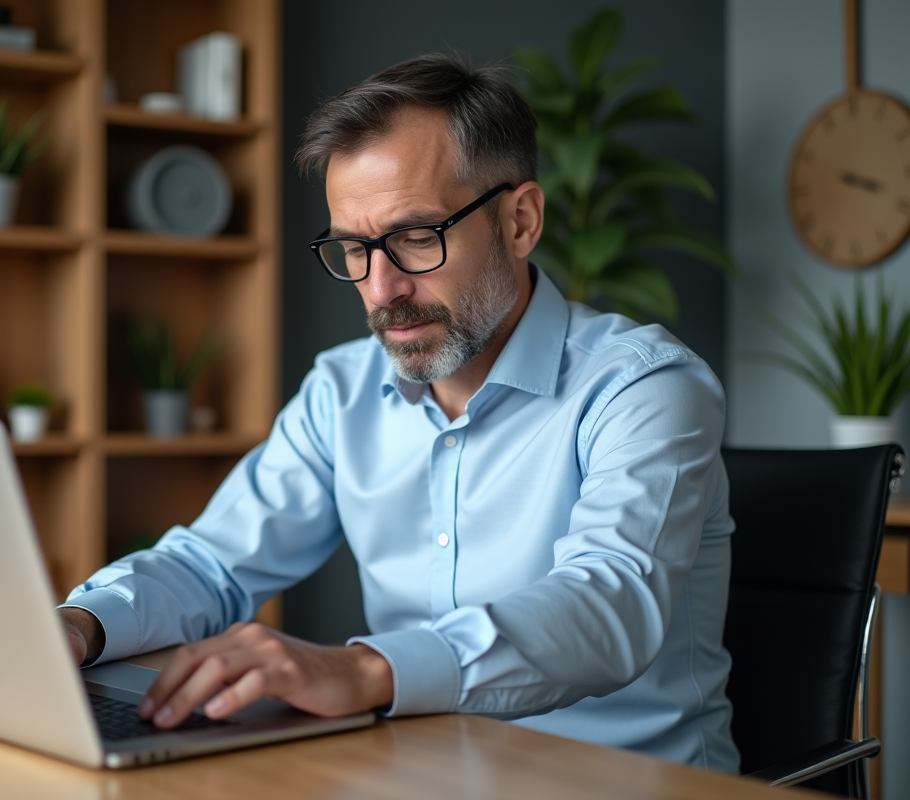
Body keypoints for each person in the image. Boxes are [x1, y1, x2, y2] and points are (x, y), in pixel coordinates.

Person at [59, 53, 738, 772]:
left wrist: (362, 672)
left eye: (416, 237)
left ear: (520, 220)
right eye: (353, 248)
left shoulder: (645, 388)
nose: (381, 289)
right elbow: (211, 566)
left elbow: (609, 606)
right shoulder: (343, 391)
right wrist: (80, 625)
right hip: (421, 774)